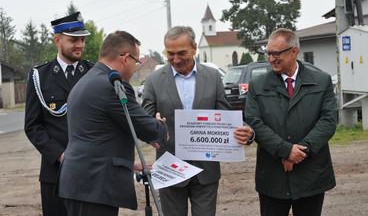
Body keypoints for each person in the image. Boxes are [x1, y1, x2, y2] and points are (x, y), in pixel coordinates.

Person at [142, 26, 254, 216]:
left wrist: (246, 133)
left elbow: (225, 115)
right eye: (170, 54)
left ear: (194, 48)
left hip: (206, 169)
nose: (175, 59)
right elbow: (144, 118)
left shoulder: (212, 77)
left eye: (181, 53)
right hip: (171, 167)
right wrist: (152, 124)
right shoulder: (153, 80)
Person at [57, 30, 167, 216]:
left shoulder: (86, 81)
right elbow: (148, 129)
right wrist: (159, 126)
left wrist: (127, 163)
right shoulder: (112, 86)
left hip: (79, 183)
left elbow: (97, 135)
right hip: (94, 187)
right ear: (125, 58)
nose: (136, 67)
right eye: (136, 61)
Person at [245, 28, 337, 216]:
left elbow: (328, 121)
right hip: (273, 176)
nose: (271, 59)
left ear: (294, 51)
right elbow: (254, 122)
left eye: (276, 53)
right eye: (268, 53)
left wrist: (301, 150)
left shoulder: (321, 81)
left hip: (310, 174)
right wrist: (286, 151)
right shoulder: (258, 84)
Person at [24, 11, 93, 216]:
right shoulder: (40, 76)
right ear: (57, 40)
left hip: (92, 171)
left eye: (82, 39)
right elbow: (33, 126)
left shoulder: (94, 73)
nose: (80, 45)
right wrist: (60, 155)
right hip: (55, 173)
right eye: (73, 40)